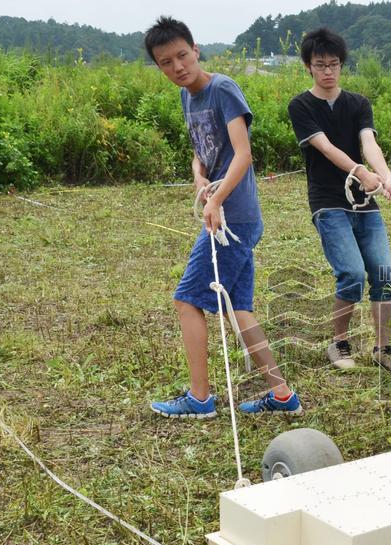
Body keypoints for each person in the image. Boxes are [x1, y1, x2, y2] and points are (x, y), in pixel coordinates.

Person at [144, 17, 302, 417]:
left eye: (182, 55)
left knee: (186, 300)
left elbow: (243, 154)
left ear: (196, 50)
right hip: (229, 214)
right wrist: (200, 177)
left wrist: (216, 202)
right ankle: (282, 395)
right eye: (166, 62)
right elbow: (202, 151)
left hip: (235, 218)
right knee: (239, 308)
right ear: (159, 67)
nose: (178, 66)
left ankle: (200, 398)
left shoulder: (223, 89)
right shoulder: (187, 97)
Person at [286, 27, 391, 372]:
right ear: (308, 66)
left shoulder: (358, 103)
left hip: (364, 204)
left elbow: (369, 142)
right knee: (352, 273)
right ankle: (339, 343)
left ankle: (382, 349)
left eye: (334, 64)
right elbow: (323, 146)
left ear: (341, 65)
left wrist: (385, 175)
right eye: (320, 64)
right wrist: (360, 171)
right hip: (328, 203)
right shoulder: (301, 105)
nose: (328, 71)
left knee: (383, 274)